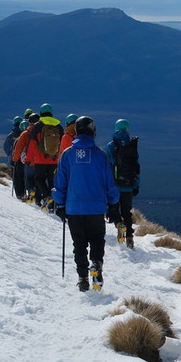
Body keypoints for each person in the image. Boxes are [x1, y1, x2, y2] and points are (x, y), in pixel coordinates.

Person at [53, 116, 120, 291]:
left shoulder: (67, 155)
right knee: (97, 240)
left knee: (79, 244)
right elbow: (110, 184)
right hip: (96, 209)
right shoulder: (100, 155)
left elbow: (60, 183)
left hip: (73, 208)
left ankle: (82, 277)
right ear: (93, 132)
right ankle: (96, 264)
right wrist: (113, 205)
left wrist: (60, 204)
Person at [104, 118, 140, 248]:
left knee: (113, 209)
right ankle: (130, 238)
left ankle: (119, 224)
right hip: (128, 185)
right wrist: (136, 185)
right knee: (127, 212)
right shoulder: (132, 145)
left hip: (114, 186)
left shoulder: (110, 146)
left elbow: (108, 167)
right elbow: (136, 168)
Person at [25, 103, 64, 210]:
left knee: (38, 179)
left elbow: (32, 144)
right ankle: (53, 203)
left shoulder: (38, 125)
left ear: (41, 112)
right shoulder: (58, 126)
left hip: (40, 159)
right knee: (52, 181)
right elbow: (62, 143)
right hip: (54, 159)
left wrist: (28, 159)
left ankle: (47, 196)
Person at [11, 113, 39, 202]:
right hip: (40, 161)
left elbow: (18, 149)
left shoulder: (25, 134)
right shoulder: (41, 132)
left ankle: (29, 193)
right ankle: (38, 196)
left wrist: (14, 160)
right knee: (38, 179)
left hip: (27, 161)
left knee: (26, 179)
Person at [3, 116, 26, 199]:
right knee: (24, 177)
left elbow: (6, 147)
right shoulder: (25, 134)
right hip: (25, 160)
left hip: (14, 160)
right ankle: (24, 193)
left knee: (16, 178)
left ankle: (19, 195)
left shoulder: (11, 135)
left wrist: (11, 156)